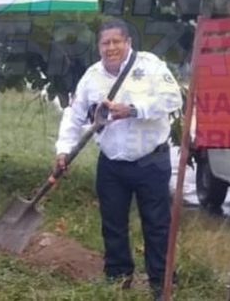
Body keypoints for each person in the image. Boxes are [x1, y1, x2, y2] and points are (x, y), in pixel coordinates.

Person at [53, 19, 183, 299]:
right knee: (112, 223)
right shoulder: (91, 77)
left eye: (116, 41)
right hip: (112, 163)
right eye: (105, 43)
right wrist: (63, 149)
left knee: (157, 223)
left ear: (128, 42)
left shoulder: (150, 66)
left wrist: (134, 109)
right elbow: (74, 116)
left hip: (150, 160)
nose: (111, 47)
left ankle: (161, 283)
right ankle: (117, 278)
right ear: (99, 47)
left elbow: (174, 99)